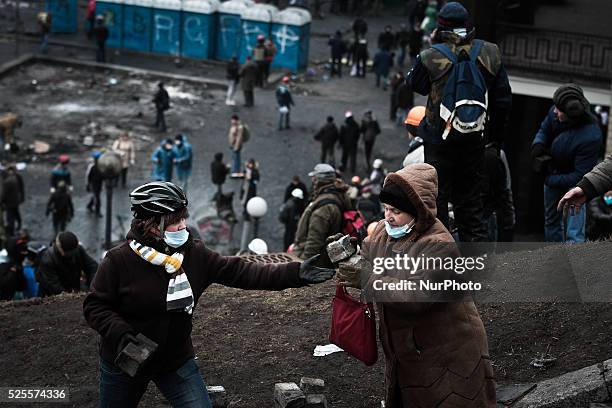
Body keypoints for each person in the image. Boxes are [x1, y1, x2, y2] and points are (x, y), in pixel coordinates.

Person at [83, 181, 335, 407]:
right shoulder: (118, 260)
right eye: (175, 221)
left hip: (175, 361)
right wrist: (124, 336)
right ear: (151, 225)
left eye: (184, 218)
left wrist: (296, 272)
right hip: (125, 362)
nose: (184, 225)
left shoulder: (195, 254)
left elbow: (243, 272)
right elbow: (95, 306)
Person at [336, 163, 496, 407]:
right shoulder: (385, 230)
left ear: (418, 211)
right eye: (386, 208)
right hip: (411, 352)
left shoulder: (438, 244)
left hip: (448, 354)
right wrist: (346, 252)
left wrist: (367, 279)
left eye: (396, 211)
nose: (388, 216)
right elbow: (368, 255)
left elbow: (416, 296)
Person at [407, 1, 512, 242]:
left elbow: (417, 85)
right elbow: (503, 101)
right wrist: (494, 139)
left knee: (438, 200)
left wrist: (434, 46)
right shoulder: (490, 52)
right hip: (475, 139)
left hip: (438, 139)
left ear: (440, 27)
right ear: (468, 25)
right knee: (471, 204)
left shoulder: (431, 56)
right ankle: (475, 266)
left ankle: (442, 262)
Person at [532, 84, 601, 242]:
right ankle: (556, 260)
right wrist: (538, 145)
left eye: (558, 110)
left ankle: (574, 262)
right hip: (554, 172)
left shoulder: (591, 135)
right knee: (551, 222)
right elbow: (544, 129)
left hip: (575, 184)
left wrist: (549, 180)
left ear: (570, 115)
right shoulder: (557, 111)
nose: (554, 111)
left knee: (574, 231)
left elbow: (580, 175)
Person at [292, 164, 351, 265]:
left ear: (317, 180)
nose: (312, 181)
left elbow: (313, 246)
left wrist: (301, 265)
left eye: (314, 178)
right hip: (327, 256)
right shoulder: (339, 194)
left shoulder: (323, 209)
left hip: (316, 261)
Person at [37, 231, 98, 296]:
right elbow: (54, 286)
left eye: (72, 252)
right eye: (68, 254)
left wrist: (93, 286)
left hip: (72, 289)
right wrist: (71, 295)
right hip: (50, 295)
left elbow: (92, 267)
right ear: (59, 246)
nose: (71, 255)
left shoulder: (78, 250)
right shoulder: (48, 259)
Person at [483, 145, 515, 242]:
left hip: (486, 212)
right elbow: (505, 189)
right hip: (485, 212)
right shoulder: (495, 154)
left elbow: (505, 189)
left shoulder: (495, 154)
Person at [1, 164, 25, 237]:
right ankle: (19, 224)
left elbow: (4, 194)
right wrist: (22, 197)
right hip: (16, 200)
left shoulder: (7, 181)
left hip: (9, 202)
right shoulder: (16, 177)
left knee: (10, 217)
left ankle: (11, 232)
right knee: (15, 213)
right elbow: (21, 188)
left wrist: (1, 202)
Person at [86, 151, 104, 217]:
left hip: (99, 184)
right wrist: (88, 185)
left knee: (95, 196)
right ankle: (97, 211)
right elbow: (88, 176)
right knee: (97, 198)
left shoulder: (101, 166)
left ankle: (89, 205)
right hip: (94, 184)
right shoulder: (92, 166)